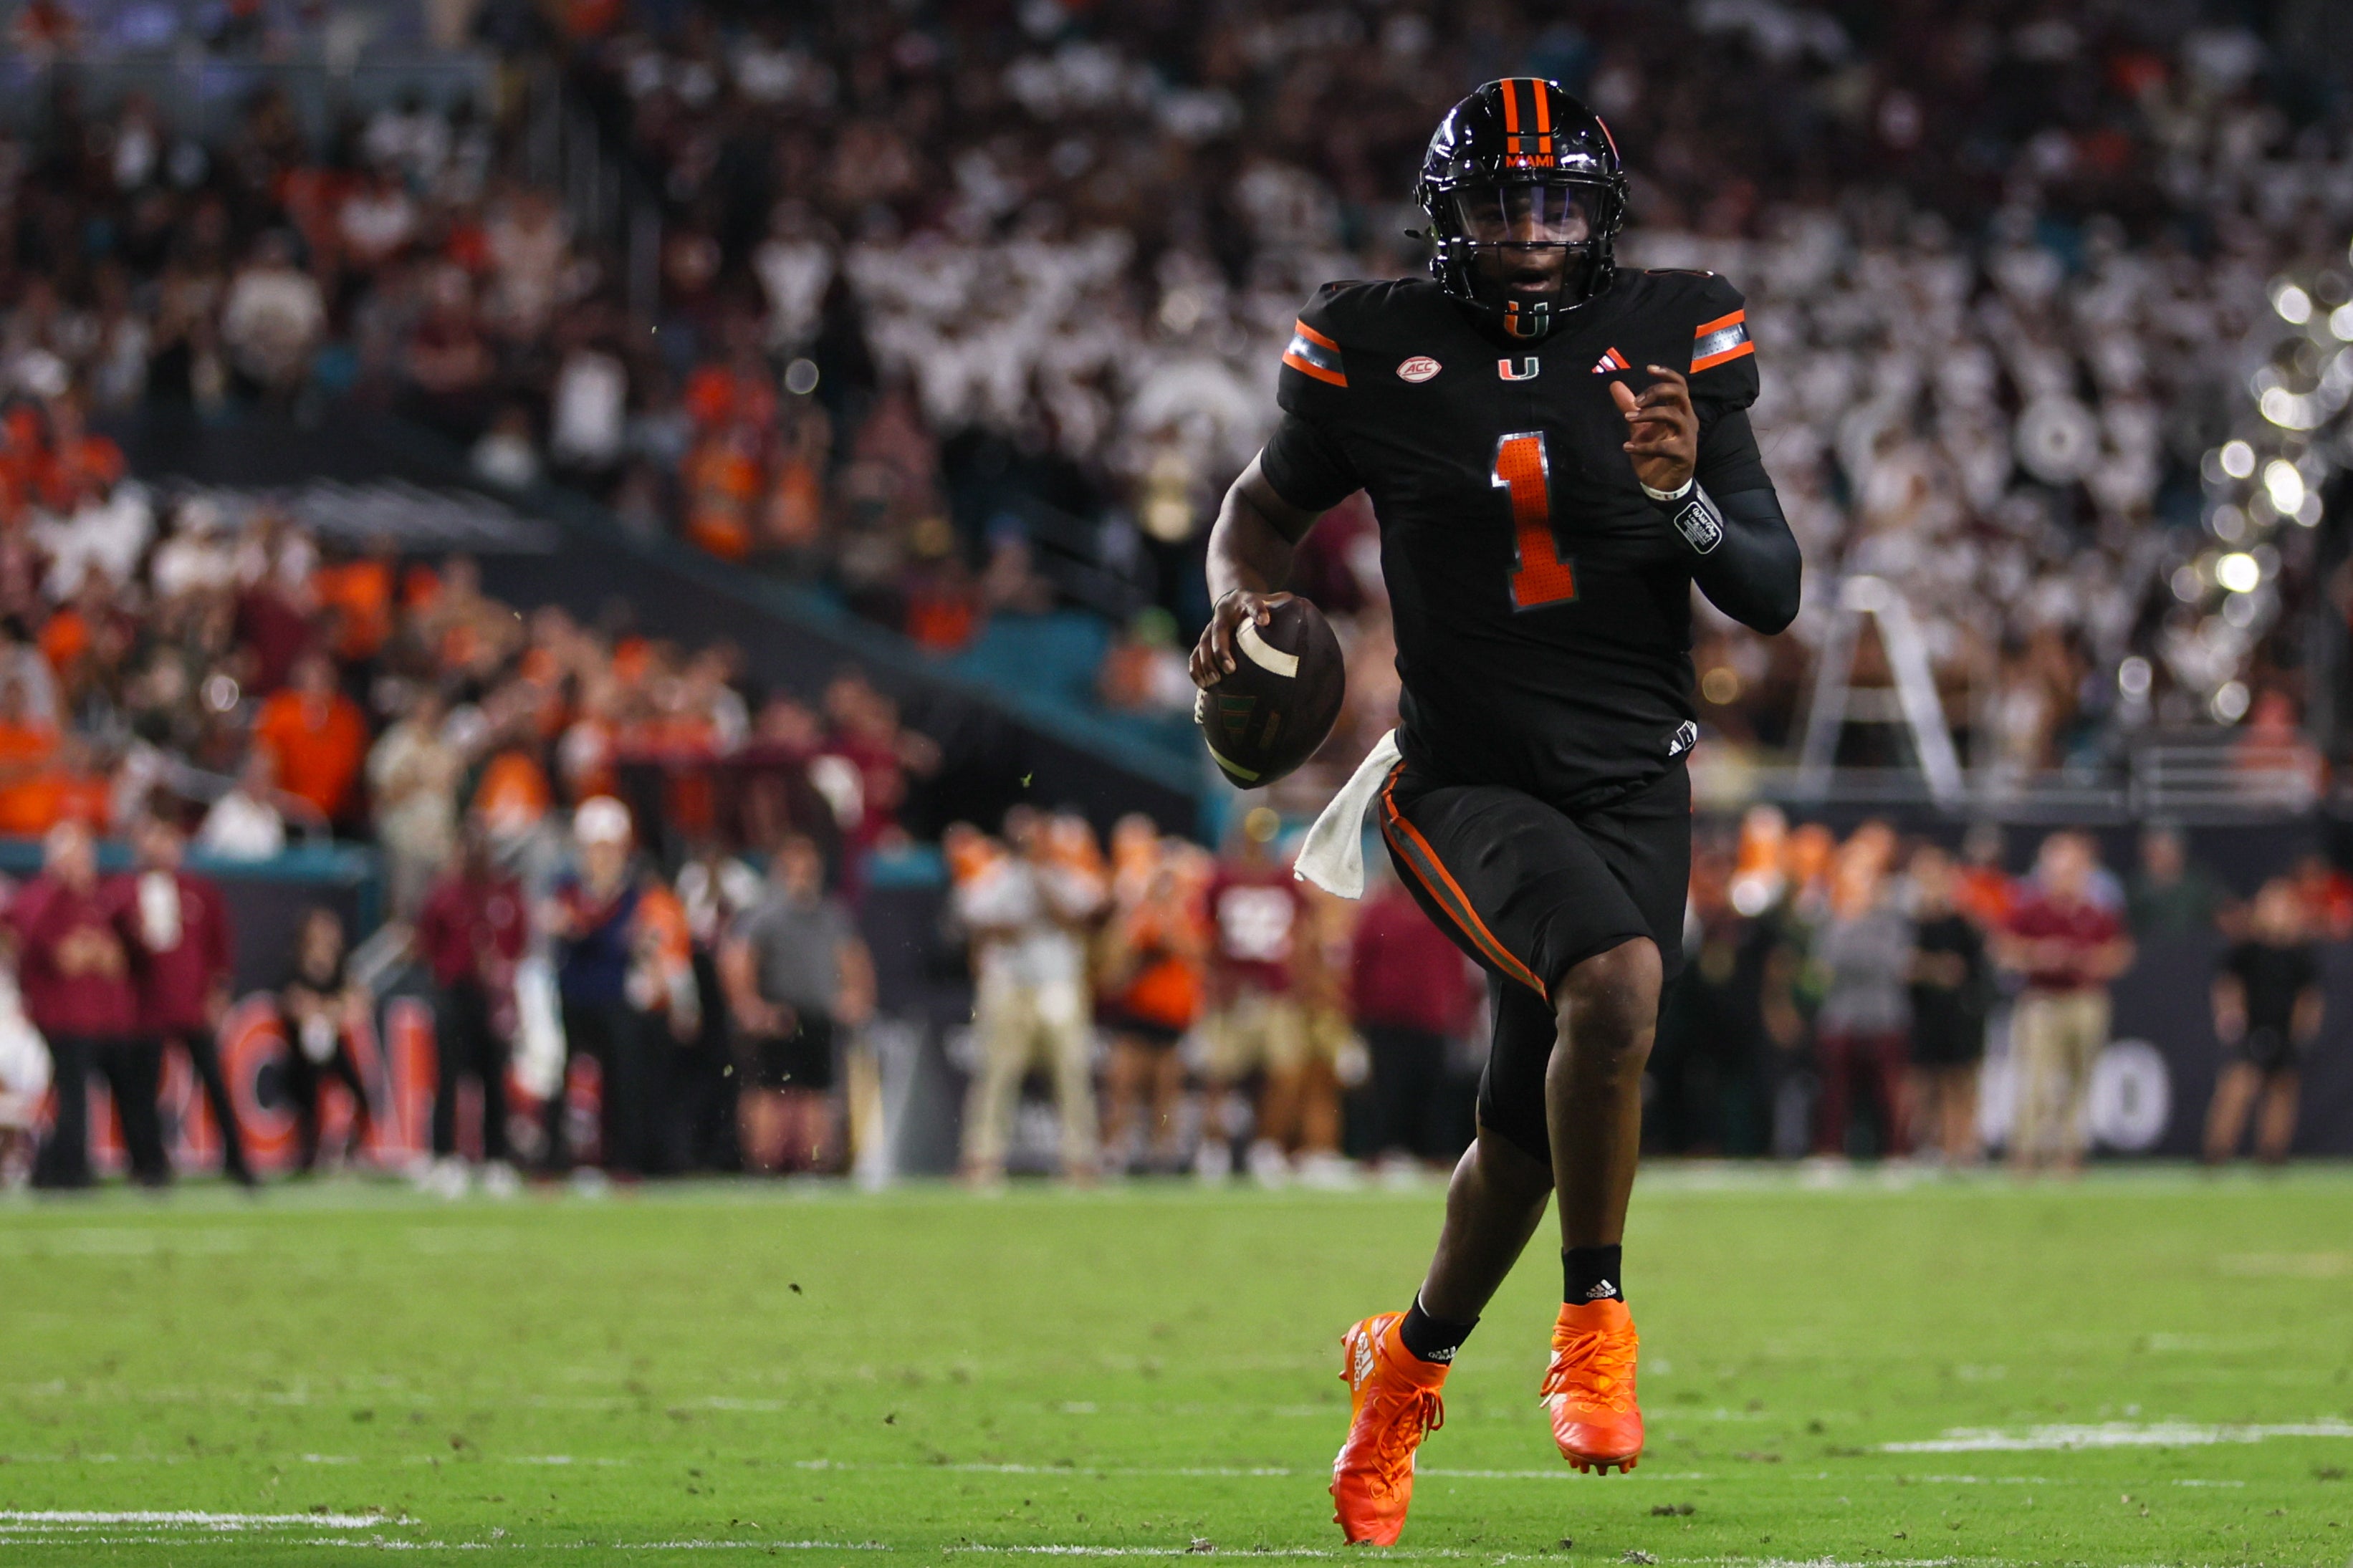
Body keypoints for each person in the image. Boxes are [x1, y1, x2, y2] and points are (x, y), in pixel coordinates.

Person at [1189, 80, 1798, 1541]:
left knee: (1527, 1133)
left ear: (1600, 212)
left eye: (1557, 202)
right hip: (1461, 778)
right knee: (1619, 980)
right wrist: (1234, 609)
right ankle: (1594, 1319)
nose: (1529, 232)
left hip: (1635, 776)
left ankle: (1400, 1366)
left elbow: (1766, 586)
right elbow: (1253, 516)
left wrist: (1681, 496)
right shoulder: (1373, 341)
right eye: (1500, 202)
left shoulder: (1674, 331)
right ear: (1444, 213)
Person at [953, 809, 1106, 1184]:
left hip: (1057, 984)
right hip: (1008, 984)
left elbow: (1081, 918)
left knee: (1071, 1071)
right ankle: (982, 1159)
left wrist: (1040, 884)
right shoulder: (995, 876)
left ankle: (1080, 1159)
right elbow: (973, 922)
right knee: (996, 1074)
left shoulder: (1064, 875)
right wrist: (1012, 926)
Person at [8, 820, 163, 1187]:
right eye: (77, 856)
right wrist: (90, 953)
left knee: (132, 1094)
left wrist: (96, 951)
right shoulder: (41, 896)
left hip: (110, 1019)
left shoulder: (101, 898)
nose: (85, 865)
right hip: (62, 1019)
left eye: (87, 855)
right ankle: (67, 1171)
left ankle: (147, 1165)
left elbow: (122, 956)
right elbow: (59, 955)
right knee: (73, 1102)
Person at [115, 812, 254, 1187]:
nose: (161, 847)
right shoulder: (123, 891)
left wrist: (218, 996)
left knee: (216, 1085)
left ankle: (239, 1162)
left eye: (167, 838)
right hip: (146, 1009)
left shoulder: (200, 890)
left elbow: (219, 951)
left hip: (192, 1007)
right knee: (142, 1091)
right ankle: (151, 1165)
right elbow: (115, 954)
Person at [721, 834, 873, 1173]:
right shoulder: (765, 914)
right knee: (771, 1092)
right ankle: (764, 1167)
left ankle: (812, 1167)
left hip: (818, 1015)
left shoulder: (831, 913)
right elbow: (738, 957)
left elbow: (852, 957)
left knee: (815, 1093)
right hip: (778, 1014)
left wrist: (857, 996)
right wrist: (750, 1006)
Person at [1996, 832, 2134, 1176]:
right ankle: (2026, 1154)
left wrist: (2087, 960)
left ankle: (2069, 1155)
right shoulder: (2031, 910)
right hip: (2042, 999)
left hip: (2084, 998)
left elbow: (2120, 954)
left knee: (2080, 1078)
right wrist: (2038, 956)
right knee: (2037, 1080)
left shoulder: (2096, 912)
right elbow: (2004, 951)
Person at [540, 797, 663, 1182]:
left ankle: (623, 1160)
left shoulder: (632, 890)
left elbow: (639, 937)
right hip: (575, 990)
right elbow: (564, 926)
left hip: (613, 992)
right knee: (559, 1075)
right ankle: (555, 1160)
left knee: (623, 1078)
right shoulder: (568, 887)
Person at [1197, 808, 1314, 1184]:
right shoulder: (1221, 879)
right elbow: (1206, 935)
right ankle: (1213, 1149)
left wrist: (1299, 983)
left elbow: (1299, 935)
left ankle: (1266, 1147)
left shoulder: (1284, 881)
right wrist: (1215, 981)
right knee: (1219, 1073)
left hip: (1275, 991)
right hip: (1234, 991)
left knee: (1286, 1071)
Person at [413, 824, 528, 1196]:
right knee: (447, 1077)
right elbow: (428, 942)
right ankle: (445, 1156)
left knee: (494, 1078)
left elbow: (518, 941)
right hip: (454, 992)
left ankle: (496, 1158)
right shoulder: (445, 894)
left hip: (491, 997)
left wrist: (503, 974)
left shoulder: (505, 893)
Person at [1349, 859, 1477, 1171]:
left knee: (1433, 1090)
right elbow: (1360, 965)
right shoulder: (1377, 911)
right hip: (1386, 1018)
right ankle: (1380, 1154)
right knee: (1387, 1089)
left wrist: (1460, 1013)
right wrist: (1356, 1012)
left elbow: (1453, 965)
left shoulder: (1438, 908)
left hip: (1430, 1018)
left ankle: (1434, 1155)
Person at [1094, 830, 1207, 1175]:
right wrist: (1141, 949)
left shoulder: (1190, 920)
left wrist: (1168, 939)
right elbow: (1110, 972)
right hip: (1136, 1014)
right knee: (1122, 1086)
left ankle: (1162, 1154)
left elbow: (1198, 958)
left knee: (1166, 1091)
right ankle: (1113, 1151)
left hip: (1173, 1017)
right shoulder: (1137, 919)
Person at [1808, 824, 1913, 1160]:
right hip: (1841, 1014)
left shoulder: (1892, 916)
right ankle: (1830, 1151)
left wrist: (1854, 955)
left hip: (1884, 1014)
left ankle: (1897, 1152)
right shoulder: (1831, 918)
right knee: (1835, 1091)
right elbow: (1823, 967)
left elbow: (1891, 963)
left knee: (1890, 1090)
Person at [2203, 877, 2322, 1165]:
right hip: (2253, 1029)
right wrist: (2230, 1016)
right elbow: (2228, 984)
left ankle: (2272, 1153)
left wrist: (2303, 1028)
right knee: (2239, 1086)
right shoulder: (2248, 950)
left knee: (2282, 1089)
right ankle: (2217, 1152)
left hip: (2284, 1031)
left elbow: (2309, 996)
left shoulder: (2300, 955)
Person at [1906, 843, 1990, 1167]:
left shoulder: (1962, 923)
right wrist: (1933, 969)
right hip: (1921, 1013)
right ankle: (1927, 1144)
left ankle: (1962, 1146)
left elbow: (1969, 970)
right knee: (1922, 1083)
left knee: (1959, 1081)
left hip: (1958, 1014)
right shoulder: (1909, 924)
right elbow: (1904, 966)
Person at [276, 905, 374, 1174]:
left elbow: (358, 1004)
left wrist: (327, 1008)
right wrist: (330, 1008)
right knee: (309, 1107)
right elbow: (295, 1004)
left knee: (362, 1097)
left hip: (333, 1046)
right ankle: (309, 1158)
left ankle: (351, 1151)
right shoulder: (297, 965)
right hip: (302, 1052)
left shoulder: (340, 968)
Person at [2126, 824, 2220, 942]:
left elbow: (2223, 916)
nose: (2153, 856)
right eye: (2150, 850)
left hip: (2194, 951)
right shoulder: (2135, 887)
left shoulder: (2199, 884)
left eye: (2161, 851)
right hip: (2149, 954)